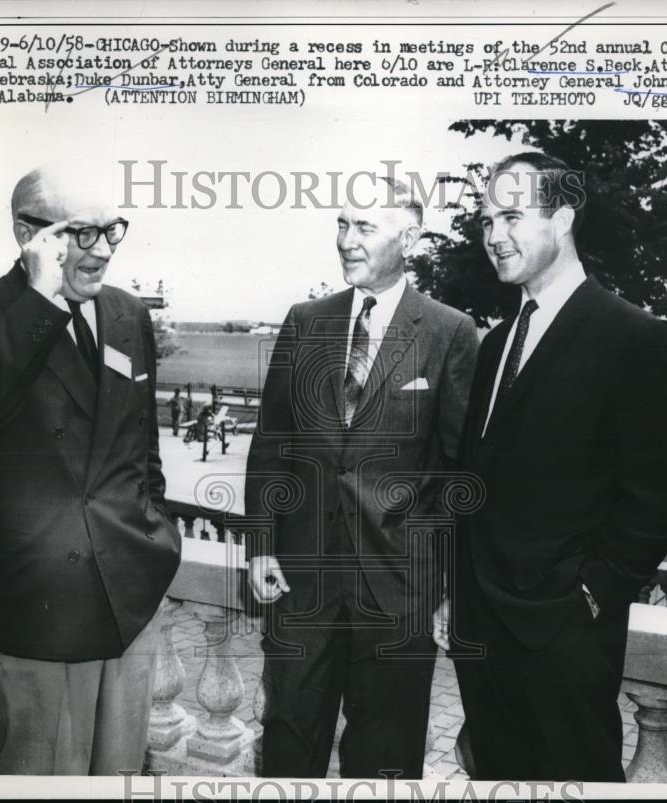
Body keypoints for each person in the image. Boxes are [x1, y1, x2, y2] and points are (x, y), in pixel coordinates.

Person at [436, 152, 667, 781]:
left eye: (513, 217)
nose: (495, 236)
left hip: (565, 635)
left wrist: (590, 595)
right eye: (487, 221)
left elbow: (657, 493)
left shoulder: (634, 337)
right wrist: (454, 591)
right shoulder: (495, 341)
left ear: (564, 217)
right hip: (481, 629)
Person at [0, 165, 182, 775]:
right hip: (41, 601)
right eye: (81, 234)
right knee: (42, 778)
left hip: (130, 594)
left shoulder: (127, 314)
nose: (101, 253)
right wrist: (41, 300)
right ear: (28, 234)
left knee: (120, 774)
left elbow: (142, 446)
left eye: (110, 232)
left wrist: (157, 536)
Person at [244, 177, 479, 779]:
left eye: (364, 228)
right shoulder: (305, 320)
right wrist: (261, 545)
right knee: (288, 741)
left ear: (409, 237)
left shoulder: (451, 331)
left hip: (399, 590)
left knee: (385, 757)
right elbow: (272, 444)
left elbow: (458, 471)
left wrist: (446, 583)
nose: (347, 241)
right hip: (302, 583)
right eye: (342, 225)